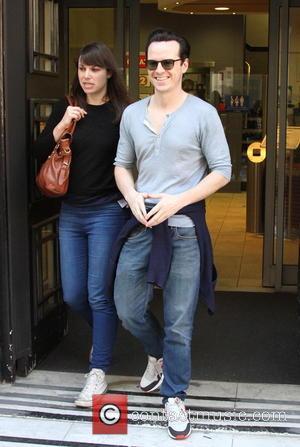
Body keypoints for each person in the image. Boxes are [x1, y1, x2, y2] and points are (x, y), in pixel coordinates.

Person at [113, 29, 231, 439]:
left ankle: (174, 397)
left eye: (167, 63)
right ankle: (156, 353)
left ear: (183, 65)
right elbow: (121, 164)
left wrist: (177, 201)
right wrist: (130, 195)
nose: (159, 70)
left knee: (180, 320)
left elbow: (222, 171)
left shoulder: (203, 114)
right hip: (141, 224)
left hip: (182, 229)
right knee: (127, 307)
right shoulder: (132, 114)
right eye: (152, 63)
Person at [33, 41, 130, 408]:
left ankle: (98, 370)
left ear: (108, 72)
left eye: (94, 69)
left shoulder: (123, 113)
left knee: (96, 293)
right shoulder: (67, 107)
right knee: (74, 294)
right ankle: (107, 332)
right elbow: (37, 150)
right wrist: (62, 124)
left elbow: (134, 162)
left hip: (106, 211)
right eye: (81, 69)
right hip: (71, 213)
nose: (86, 76)